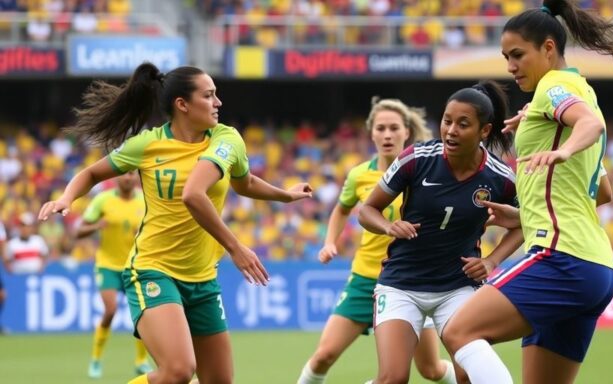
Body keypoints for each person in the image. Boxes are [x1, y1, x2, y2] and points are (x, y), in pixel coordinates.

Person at [38, 62, 312, 384]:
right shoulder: (147, 145)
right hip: (153, 269)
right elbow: (92, 173)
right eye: (209, 95)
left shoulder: (227, 139)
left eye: (216, 95)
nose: (218, 102)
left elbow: (245, 182)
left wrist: (284, 196)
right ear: (182, 105)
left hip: (202, 278)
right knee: (178, 371)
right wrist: (67, 198)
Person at [441, 1, 613, 383]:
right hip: (595, 268)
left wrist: (562, 149)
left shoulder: (555, 86)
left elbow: (589, 124)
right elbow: (602, 190)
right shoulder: (580, 90)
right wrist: (525, 215)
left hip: (561, 258)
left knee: (458, 332)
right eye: (505, 57)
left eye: (517, 55)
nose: (510, 66)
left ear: (548, 48)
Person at [358, 81, 523, 384]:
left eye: (463, 124)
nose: (450, 131)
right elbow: (366, 211)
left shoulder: (501, 178)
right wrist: (388, 226)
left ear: (484, 131)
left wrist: (491, 261)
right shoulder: (417, 158)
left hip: (458, 288)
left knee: (468, 376)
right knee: (393, 378)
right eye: (447, 121)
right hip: (401, 284)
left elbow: (524, 223)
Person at [297, 97, 456, 384]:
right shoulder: (359, 174)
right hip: (366, 278)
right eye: (380, 128)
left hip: (412, 280)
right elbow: (342, 209)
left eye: (394, 128)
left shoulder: (424, 171)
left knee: (431, 370)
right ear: (370, 132)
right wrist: (330, 241)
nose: (387, 135)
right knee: (324, 355)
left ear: (407, 131)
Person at [76, 171, 152, 378]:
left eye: (131, 174)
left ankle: (141, 361)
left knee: (143, 316)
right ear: (117, 177)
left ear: (136, 177)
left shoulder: (145, 200)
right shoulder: (103, 200)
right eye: (124, 174)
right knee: (110, 311)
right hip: (108, 265)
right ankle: (96, 359)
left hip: (135, 265)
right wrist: (96, 226)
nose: (128, 178)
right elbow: (78, 232)